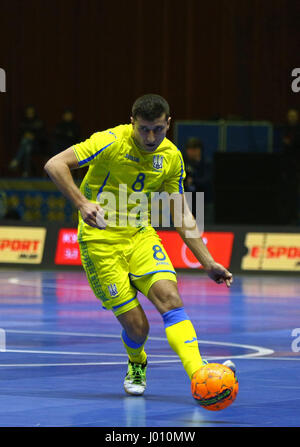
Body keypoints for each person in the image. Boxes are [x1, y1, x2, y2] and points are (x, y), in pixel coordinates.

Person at [44, 94, 234, 396]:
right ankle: (137, 361)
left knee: (171, 299)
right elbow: (55, 164)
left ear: (168, 124)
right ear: (132, 121)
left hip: (140, 235)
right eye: (144, 128)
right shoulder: (110, 141)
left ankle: (200, 375)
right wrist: (82, 203)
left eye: (158, 129)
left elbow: (181, 213)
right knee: (138, 327)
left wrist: (208, 261)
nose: (150, 137)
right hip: (100, 239)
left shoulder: (171, 157)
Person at [9, 105, 47, 177]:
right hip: (26, 145)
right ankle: (26, 172)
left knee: (26, 143)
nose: (30, 114)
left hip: (37, 145)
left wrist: (33, 136)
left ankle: (16, 161)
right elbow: (19, 133)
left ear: (34, 113)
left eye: (31, 112)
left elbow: (43, 136)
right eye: (28, 112)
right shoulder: (23, 122)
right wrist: (26, 135)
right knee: (27, 148)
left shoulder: (39, 122)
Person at [184, 137, 213, 222]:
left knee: (204, 228)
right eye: (188, 149)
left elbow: (207, 181)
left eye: (192, 149)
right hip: (189, 201)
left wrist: (193, 181)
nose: (189, 152)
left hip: (204, 201)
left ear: (198, 150)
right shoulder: (185, 164)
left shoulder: (207, 164)